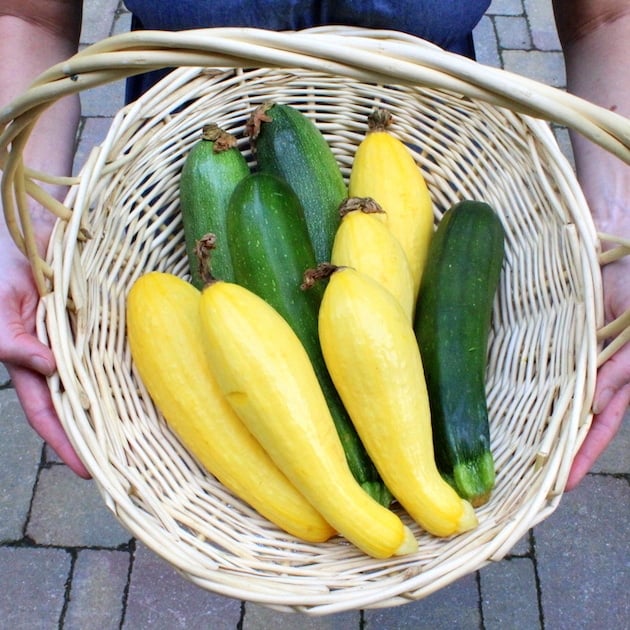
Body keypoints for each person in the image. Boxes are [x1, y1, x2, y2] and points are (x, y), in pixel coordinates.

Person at [0, 1, 628, 487]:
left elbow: (607, 13)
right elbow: (26, 11)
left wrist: (618, 222)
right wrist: (16, 227)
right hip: (179, 137)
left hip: (424, 122)